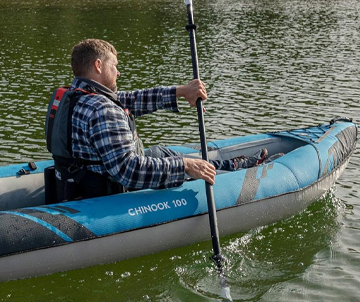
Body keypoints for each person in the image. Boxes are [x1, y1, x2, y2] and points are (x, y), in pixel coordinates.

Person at [44, 38, 267, 203]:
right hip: (110, 192)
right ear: (99, 66)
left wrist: (181, 91)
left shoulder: (72, 96)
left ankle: (223, 165)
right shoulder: (102, 109)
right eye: (115, 65)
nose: (119, 73)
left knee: (162, 153)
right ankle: (232, 169)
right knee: (181, 163)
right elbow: (128, 171)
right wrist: (185, 166)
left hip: (77, 182)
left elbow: (129, 100)